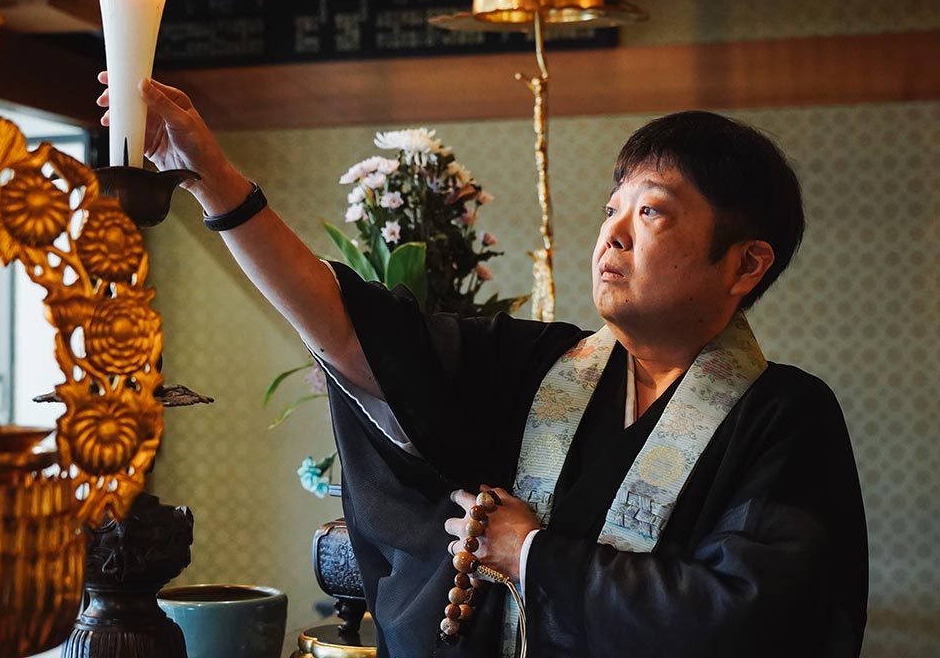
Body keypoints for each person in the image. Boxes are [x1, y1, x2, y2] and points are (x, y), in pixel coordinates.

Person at [98, 76, 867, 657]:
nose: (614, 236)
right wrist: (210, 177)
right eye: (612, 208)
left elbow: (754, 617)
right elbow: (352, 332)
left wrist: (529, 554)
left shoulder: (785, 416)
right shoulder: (544, 370)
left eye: (653, 211)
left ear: (745, 265)